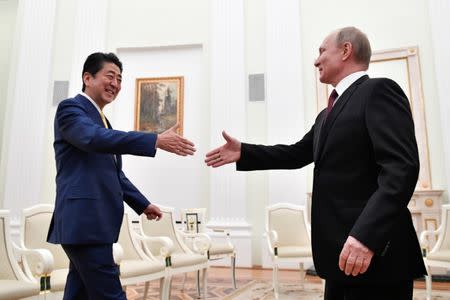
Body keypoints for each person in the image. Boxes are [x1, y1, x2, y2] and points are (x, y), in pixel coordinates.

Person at [205, 27, 426, 299]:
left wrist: (366, 237)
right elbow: (297, 153)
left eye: (322, 51)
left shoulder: (378, 91)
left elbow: (401, 169)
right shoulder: (326, 114)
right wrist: (245, 152)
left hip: (374, 252)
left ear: (346, 51)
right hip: (339, 255)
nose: (316, 60)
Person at [47, 52, 196, 300]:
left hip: (90, 224)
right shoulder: (70, 109)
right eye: (110, 76)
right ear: (87, 77)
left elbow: (114, 173)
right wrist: (154, 139)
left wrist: (142, 203)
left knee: (79, 293)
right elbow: (92, 139)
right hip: (85, 222)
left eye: (119, 79)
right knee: (111, 294)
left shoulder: (102, 120)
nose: (115, 84)